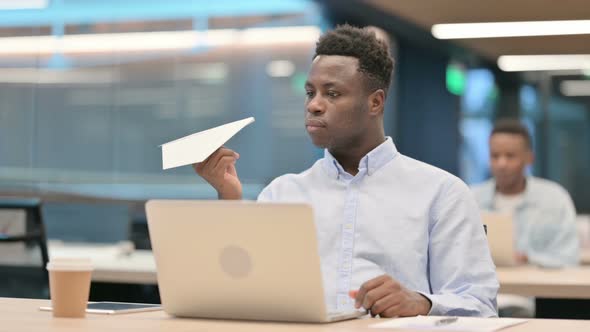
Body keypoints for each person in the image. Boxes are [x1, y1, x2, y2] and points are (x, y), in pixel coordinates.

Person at [194, 24, 498, 317]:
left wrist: (421, 303)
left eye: (333, 94)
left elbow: (480, 306)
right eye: (310, 92)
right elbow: (242, 292)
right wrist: (229, 200)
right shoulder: (282, 192)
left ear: (375, 102)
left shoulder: (441, 192)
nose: (314, 105)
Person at [471, 120, 579, 268]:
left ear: (529, 158)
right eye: (495, 156)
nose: (502, 163)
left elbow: (569, 259)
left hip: (538, 289)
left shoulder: (555, 199)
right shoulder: (471, 198)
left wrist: (528, 258)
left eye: (510, 156)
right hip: (486, 289)